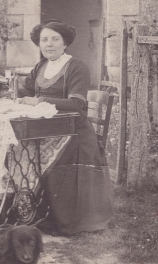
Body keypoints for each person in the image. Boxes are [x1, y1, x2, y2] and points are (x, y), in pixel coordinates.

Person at [17, 19, 113, 235]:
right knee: (19, 150)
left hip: (74, 133)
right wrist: (12, 96)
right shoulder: (41, 66)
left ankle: (54, 216)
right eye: (44, 40)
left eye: (54, 39)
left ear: (65, 43)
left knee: (40, 155)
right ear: (39, 44)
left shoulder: (76, 67)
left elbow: (78, 104)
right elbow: (24, 92)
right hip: (47, 130)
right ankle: (23, 209)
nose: (49, 44)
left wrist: (39, 101)